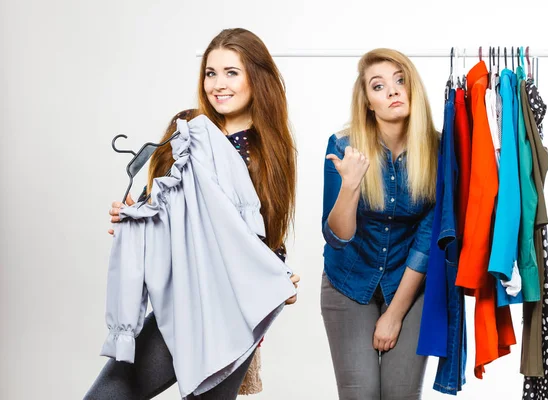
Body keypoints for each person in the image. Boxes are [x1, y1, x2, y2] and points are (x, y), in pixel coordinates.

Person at [85, 28, 300, 400]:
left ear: (256, 76)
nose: (218, 84)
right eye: (210, 72)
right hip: (181, 299)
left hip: (233, 313)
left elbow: (267, 232)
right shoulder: (185, 130)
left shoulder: (271, 150)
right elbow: (159, 205)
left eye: (231, 72)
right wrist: (135, 218)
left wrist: (279, 278)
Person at [320, 48, 438, 400]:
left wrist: (395, 315)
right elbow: (337, 237)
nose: (392, 91)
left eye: (400, 81)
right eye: (379, 85)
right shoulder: (343, 146)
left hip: (410, 284)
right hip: (348, 282)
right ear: (368, 102)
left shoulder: (439, 149)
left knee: (401, 394)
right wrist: (351, 185)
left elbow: (429, 236)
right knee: (362, 394)